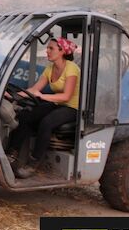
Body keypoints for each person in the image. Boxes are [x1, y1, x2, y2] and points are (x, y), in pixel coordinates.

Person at [7, 37, 80, 178]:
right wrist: (12, 96)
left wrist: (43, 97)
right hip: (57, 104)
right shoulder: (50, 69)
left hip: (73, 108)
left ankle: (33, 164)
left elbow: (66, 97)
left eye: (51, 48)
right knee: (26, 115)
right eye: (47, 48)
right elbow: (34, 90)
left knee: (47, 122)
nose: (47, 51)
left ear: (62, 51)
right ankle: (12, 153)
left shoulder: (72, 69)